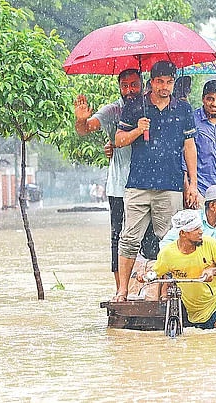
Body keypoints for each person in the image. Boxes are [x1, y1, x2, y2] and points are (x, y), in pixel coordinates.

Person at [112, 60, 198, 302]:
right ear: (150, 83)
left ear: (173, 83)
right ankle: (122, 290)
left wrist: (192, 183)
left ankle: (165, 292)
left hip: (170, 185)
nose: (164, 87)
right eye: (159, 82)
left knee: (170, 239)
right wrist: (138, 130)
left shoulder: (183, 109)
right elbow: (118, 140)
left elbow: (189, 146)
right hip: (138, 184)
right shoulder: (135, 106)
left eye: (169, 82)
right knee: (129, 238)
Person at [74, 69, 158, 292]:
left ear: (143, 84)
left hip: (150, 185)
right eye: (124, 85)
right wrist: (81, 120)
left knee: (152, 239)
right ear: (119, 87)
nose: (129, 90)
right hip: (120, 186)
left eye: (134, 85)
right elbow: (86, 129)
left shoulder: (153, 106)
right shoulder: (113, 110)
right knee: (118, 238)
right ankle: (121, 290)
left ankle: (151, 289)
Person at [151, 209, 216, 329]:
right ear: (182, 233)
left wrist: (212, 271)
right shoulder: (167, 253)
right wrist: (145, 276)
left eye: (200, 227)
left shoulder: (210, 244)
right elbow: (156, 272)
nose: (201, 232)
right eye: (195, 229)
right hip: (193, 310)